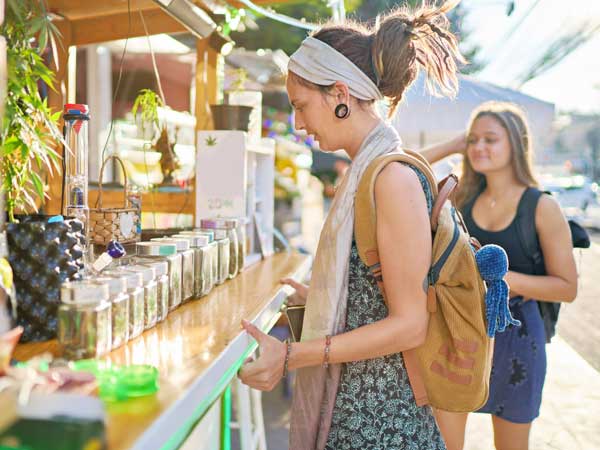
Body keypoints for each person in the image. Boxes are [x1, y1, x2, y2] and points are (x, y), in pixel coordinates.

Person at [237, 1, 465, 449]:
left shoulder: (390, 179)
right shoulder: (367, 170)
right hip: (360, 415)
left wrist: (292, 355)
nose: (298, 123)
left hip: (383, 426)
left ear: (340, 95)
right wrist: (327, 296)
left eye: (301, 106)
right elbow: (382, 295)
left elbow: (410, 324)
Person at [420, 101, 578, 450]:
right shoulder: (459, 196)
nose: (478, 148)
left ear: (516, 144)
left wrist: (502, 282)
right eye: (472, 140)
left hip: (518, 338)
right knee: (443, 445)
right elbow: (406, 170)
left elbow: (567, 288)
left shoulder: (542, 207)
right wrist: (452, 145)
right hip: (459, 331)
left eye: (490, 139)